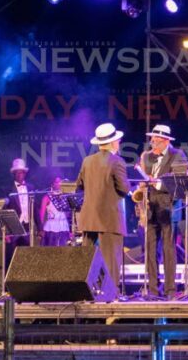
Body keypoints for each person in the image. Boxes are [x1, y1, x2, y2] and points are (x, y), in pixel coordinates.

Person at [137, 124, 188, 299]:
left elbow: (179, 182)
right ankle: (153, 289)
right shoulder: (147, 157)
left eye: (156, 140)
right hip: (151, 207)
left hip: (169, 207)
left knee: (169, 250)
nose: (152, 143)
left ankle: (170, 290)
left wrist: (157, 183)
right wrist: (143, 184)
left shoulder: (178, 155)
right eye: (152, 139)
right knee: (150, 249)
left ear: (166, 141)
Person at [76, 123, 129, 294]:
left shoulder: (87, 161)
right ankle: (111, 295)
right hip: (109, 219)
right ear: (114, 143)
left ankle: (86, 293)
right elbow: (124, 189)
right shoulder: (117, 161)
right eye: (118, 141)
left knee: (87, 259)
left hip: (89, 217)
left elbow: (79, 185)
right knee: (111, 259)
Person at [3, 157, 33, 270]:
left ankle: (22, 283)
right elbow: (4, 210)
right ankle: (7, 285)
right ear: (14, 174)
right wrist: (5, 232)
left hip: (26, 226)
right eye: (17, 172)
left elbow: (34, 208)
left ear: (25, 173)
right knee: (10, 257)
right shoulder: (7, 189)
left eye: (22, 172)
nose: (20, 174)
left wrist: (40, 227)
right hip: (12, 228)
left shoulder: (31, 188)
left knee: (25, 257)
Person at [40, 177, 71, 246]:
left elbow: (68, 214)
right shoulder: (47, 197)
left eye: (60, 182)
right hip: (51, 228)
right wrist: (41, 229)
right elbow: (41, 215)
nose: (59, 184)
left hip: (64, 227)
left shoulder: (65, 196)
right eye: (57, 182)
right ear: (52, 184)